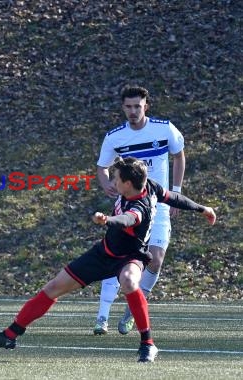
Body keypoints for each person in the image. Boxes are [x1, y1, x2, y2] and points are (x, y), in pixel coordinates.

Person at [0, 156, 216, 363]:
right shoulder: (149, 186)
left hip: (131, 256)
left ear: (128, 184)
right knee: (52, 288)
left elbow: (128, 220)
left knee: (130, 281)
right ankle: (10, 334)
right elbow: (172, 197)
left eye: (115, 179)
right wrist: (201, 208)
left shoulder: (140, 205)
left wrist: (107, 220)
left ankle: (147, 343)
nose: (112, 182)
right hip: (104, 253)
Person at [93, 85, 186, 336]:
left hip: (159, 205)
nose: (133, 111)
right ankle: (102, 317)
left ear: (146, 105)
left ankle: (133, 310)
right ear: (123, 107)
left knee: (155, 259)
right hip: (129, 207)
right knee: (117, 257)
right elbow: (102, 167)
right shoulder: (115, 137)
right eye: (128, 106)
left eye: (138, 106)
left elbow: (179, 156)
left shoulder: (164, 129)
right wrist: (107, 186)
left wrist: (175, 192)